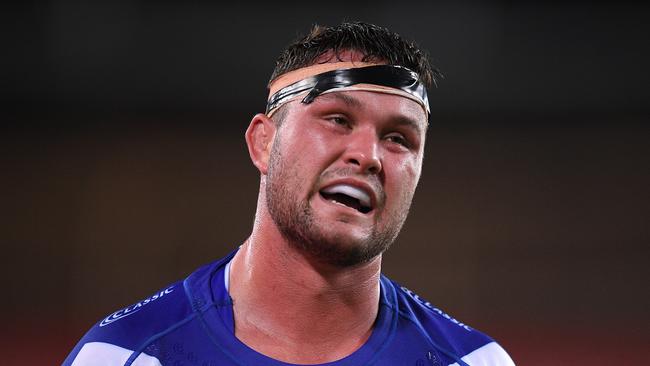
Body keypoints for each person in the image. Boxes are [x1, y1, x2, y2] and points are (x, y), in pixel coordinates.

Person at [63, 21, 515, 366]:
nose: (368, 155)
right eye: (337, 119)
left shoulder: (472, 362)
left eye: (399, 138)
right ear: (264, 142)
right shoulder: (130, 357)